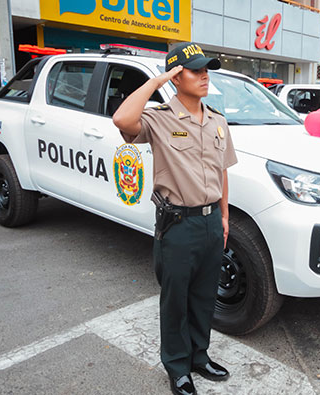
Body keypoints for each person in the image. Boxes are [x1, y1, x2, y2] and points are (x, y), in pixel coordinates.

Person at [113, 41, 237, 395]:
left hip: (213, 222)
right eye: (195, 70)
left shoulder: (218, 121)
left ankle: (199, 355)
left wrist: (225, 217)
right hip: (178, 225)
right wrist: (157, 80)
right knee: (175, 299)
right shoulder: (157, 118)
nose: (204, 76)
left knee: (203, 296)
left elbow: (222, 171)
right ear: (176, 77)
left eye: (206, 69)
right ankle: (177, 366)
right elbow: (122, 119)